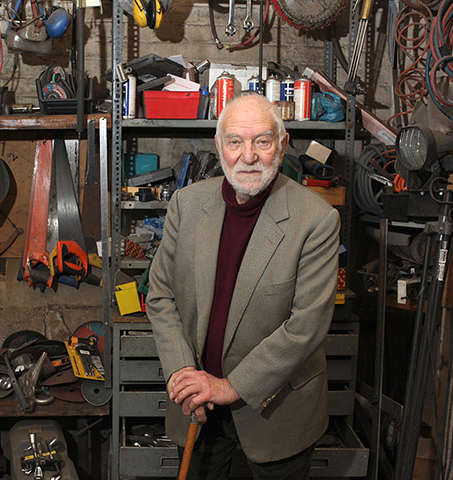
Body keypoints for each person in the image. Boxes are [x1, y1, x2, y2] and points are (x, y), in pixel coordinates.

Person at [145, 92, 341, 479]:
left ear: (282, 146)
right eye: (235, 141)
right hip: (199, 412)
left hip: (276, 417)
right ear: (219, 147)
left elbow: (306, 327)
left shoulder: (316, 220)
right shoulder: (187, 204)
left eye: (262, 141)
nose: (248, 156)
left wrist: (230, 386)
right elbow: (160, 295)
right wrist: (183, 374)